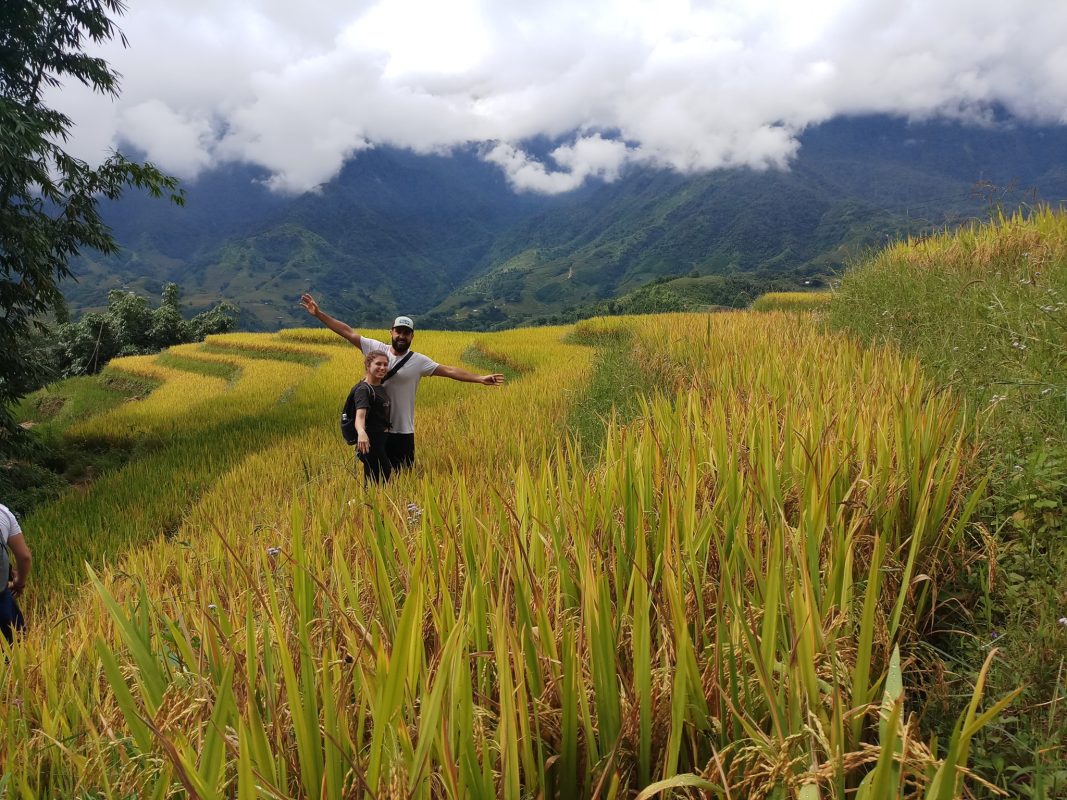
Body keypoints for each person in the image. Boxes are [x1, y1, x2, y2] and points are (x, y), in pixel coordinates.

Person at [300, 293, 504, 471]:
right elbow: (347, 332)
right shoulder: (375, 349)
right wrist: (319, 314)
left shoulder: (419, 361)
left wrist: (479, 378)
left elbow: (449, 370)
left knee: (404, 478)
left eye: (406, 333)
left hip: (403, 431)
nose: (401, 336)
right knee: (375, 478)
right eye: (398, 331)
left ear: (412, 336)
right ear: (391, 332)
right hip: (376, 431)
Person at [352, 351, 394, 484]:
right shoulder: (363, 390)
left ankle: (368, 502)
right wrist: (361, 432)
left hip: (381, 439)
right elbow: (360, 416)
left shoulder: (379, 387)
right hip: (370, 441)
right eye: (378, 364)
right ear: (368, 365)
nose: (382, 367)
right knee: (382, 474)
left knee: (374, 477)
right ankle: (372, 502)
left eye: (385, 364)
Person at [0, 503, 31, 644]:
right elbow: (24, 556)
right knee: (14, 648)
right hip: (1, 599)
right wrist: (19, 583)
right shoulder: (3, 512)